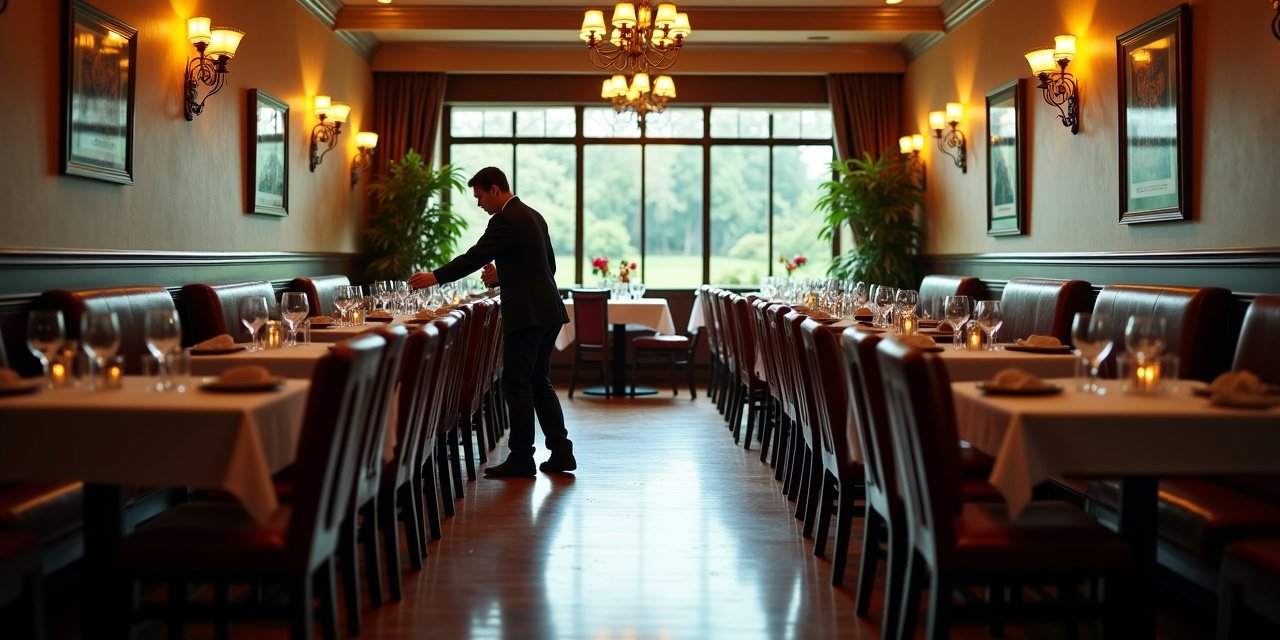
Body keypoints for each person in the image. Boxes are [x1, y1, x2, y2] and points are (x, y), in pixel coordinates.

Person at [409, 167, 575, 478]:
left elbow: (474, 256)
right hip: (549, 310)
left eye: (480, 196)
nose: (479, 203)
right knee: (540, 382)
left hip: (527, 314)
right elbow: (547, 266)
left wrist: (436, 277)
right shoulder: (533, 215)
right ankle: (562, 451)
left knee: (518, 383)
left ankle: (522, 457)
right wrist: (503, 275)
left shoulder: (504, 219)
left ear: (495, 190)